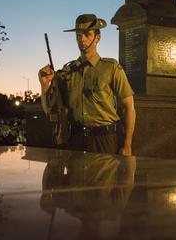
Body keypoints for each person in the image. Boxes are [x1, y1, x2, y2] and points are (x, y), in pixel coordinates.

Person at [38, 14, 135, 156]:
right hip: (76, 140)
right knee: (76, 179)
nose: (81, 39)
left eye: (87, 34)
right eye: (78, 35)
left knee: (105, 179)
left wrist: (127, 144)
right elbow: (50, 110)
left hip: (105, 140)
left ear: (97, 38)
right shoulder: (66, 73)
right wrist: (44, 85)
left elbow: (129, 107)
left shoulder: (111, 68)